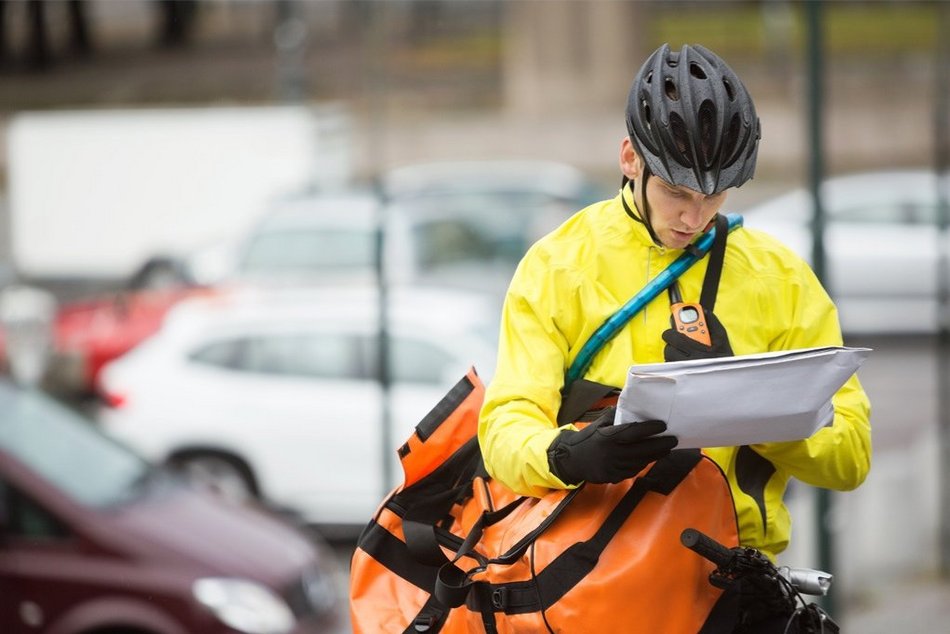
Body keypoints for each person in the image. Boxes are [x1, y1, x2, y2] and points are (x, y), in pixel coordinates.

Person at [477, 43, 871, 563]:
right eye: (675, 191)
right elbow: (504, 429)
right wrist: (568, 456)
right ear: (628, 158)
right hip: (591, 574)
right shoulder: (557, 265)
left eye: (716, 195)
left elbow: (850, 459)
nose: (694, 216)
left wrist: (747, 400)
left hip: (729, 577)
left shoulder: (780, 278)